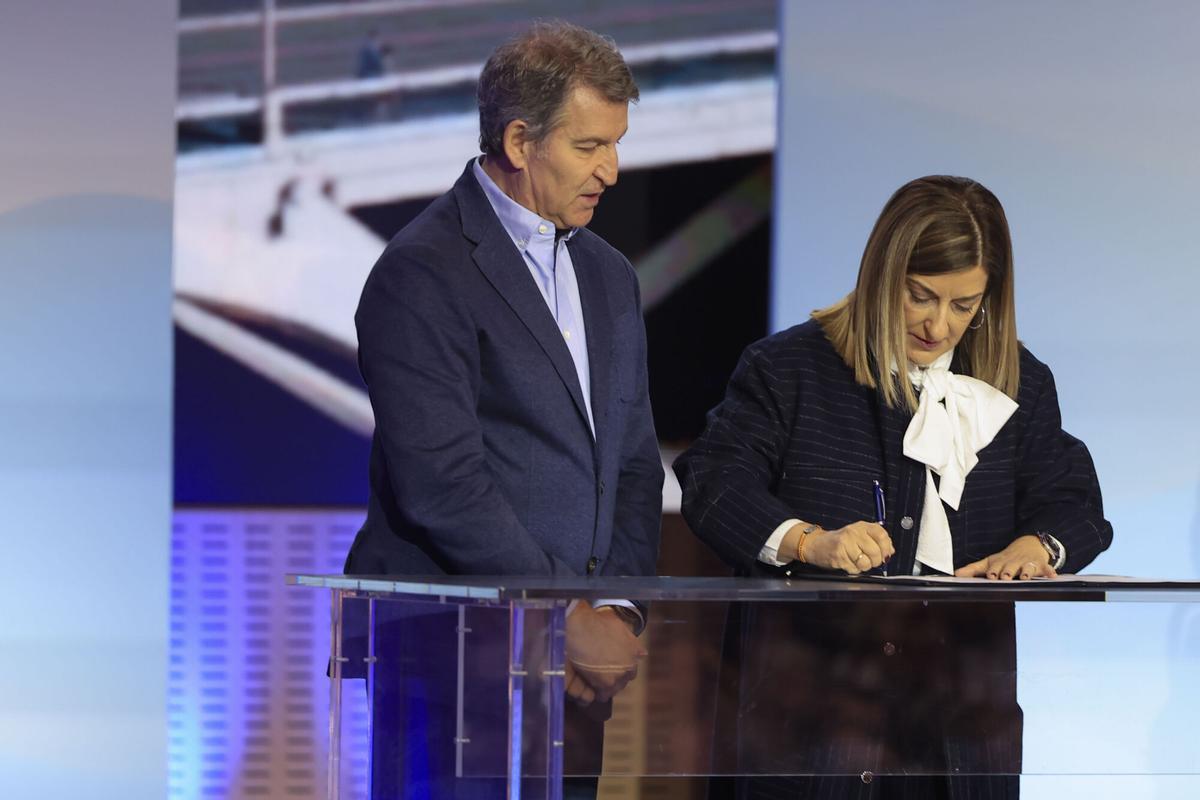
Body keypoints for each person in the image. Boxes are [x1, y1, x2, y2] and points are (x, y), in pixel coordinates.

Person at [675, 175, 1113, 799]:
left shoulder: (1022, 384)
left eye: (965, 305)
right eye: (921, 297)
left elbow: (1076, 505)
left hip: (962, 748)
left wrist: (1036, 549)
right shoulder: (787, 370)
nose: (940, 326)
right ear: (883, 277)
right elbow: (713, 481)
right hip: (814, 739)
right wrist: (808, 542)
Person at [344, 20, 664, 799]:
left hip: (578, 674)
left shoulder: (610, 275)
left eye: (615, 145)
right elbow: (443, 486)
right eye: (590, 147)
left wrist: (615, 613)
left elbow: (631, 464)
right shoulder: (421, 272)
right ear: (520, 142)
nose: (612, 171)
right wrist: (565, 616)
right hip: (452, 659)